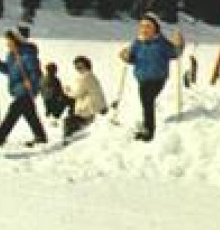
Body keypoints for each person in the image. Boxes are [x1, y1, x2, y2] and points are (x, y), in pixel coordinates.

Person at [119, 12, 184, 142]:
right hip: (142, 78)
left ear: (155, 28)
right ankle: (147, 125)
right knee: (146, 102)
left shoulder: (161, 43)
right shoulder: (137, 43)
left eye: (148, 26)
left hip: (157, 78)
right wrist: (125, 56)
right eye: (142, 26)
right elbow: (132, 58)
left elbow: (174, 53)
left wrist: (179, 44)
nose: (144, 29)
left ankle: (149, 130)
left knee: (147, 101)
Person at [0, 30, 48, 148]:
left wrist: (31, 82)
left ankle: (0, 135)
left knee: (15, 109)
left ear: (16, 41)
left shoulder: (27, 55)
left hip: (27, 90)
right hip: (18, 90)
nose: (7, 44)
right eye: (7, 42)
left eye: (9, 41)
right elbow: (8, 70)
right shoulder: (12, 56)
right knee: (29, 113)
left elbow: (36, 73)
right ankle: (40, 137)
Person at [62, 56, 107, 139]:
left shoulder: (85, 77)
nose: (78, 69)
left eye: (79, 66)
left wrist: (66, 90)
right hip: (97, 106)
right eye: (76, 67)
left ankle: (68, 139)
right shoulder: (91, 76)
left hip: (90, 109)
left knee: (67, 121)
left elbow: (77, 94)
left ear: (85, 65)